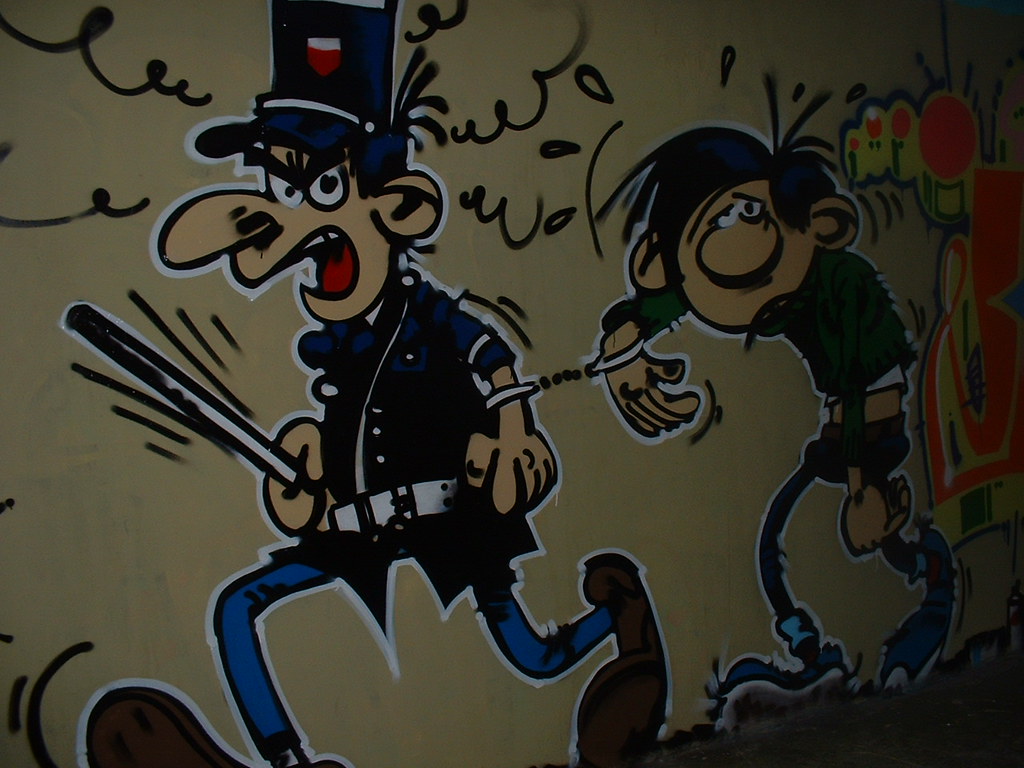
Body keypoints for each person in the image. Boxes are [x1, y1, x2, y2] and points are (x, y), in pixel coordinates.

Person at [154, 2, 667, 766]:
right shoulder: (338, 346)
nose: (286, 223)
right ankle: (287, 759)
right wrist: (307, 472)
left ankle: (621, 619)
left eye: (320, 188)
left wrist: (514, 432)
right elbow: (339, 436)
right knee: (239, 609)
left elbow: (493, 358)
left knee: (532, 655)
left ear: (395, 208)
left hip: (454, 517)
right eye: (278, 185)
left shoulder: (423, 313)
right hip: (360, 525)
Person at [588, 119, 954, 698]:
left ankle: (918, 581)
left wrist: (861, 480)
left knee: (818, 536)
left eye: (749, 213)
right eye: (718, 224)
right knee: (780, 542)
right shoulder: (733, 283)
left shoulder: (842, 284)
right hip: (844, 426)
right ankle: (821, 640)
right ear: (657, 262)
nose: (740, 242)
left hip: (866, 424)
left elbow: (866, 379)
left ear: (819, 223)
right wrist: (621, 347)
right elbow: (668, 304)